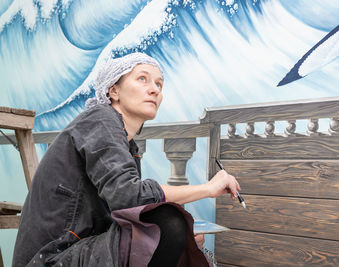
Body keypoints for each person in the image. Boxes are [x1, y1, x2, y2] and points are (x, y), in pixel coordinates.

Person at [12, 52, 241, 267]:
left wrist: (179, 243)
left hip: (77, 250)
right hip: (51, 258)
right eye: (143, 79)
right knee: (166, 222)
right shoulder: (100, 119)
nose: (154, 89)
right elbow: (129, 196)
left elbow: (122, 209)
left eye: (159, 84)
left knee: (169, 233)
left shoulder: (126, 144)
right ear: (114, 91)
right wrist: (209, 189)